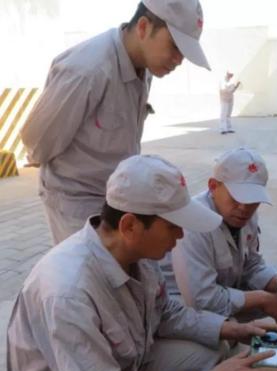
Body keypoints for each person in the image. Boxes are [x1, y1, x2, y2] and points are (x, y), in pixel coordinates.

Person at [7, 155, 277, 371]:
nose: (181, 236)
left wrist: (233, 328)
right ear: (130, 225)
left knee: (209, 355)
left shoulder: (138, 256)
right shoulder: (68, 292)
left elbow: (165, 312)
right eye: (172, 227)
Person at [22, 0, 211, 245]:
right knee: (87, 275)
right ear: (143, 27)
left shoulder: (145, 68)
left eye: (184, 53)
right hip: (75, 201)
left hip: (115, 198)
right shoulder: (87, 70)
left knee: (121, 274)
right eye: (175, 46)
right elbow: (37, 142)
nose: (178, 60)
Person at [163, 147, 277, 322]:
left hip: (218, 289)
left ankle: (232, 334)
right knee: (222, 337)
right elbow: (200, 299)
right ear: (213, 186)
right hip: (178, 305)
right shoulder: (194, 224)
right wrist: (260, 298)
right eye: (237, 198)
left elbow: (251, 264)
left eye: (253, 200)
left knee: (274, 293)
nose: (245, 208)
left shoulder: (247, 215)